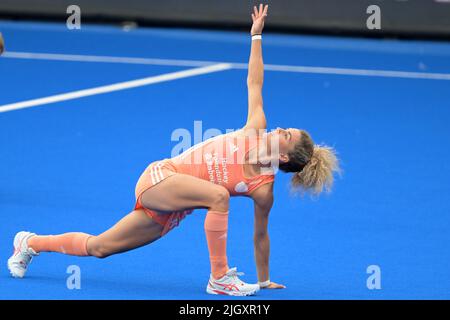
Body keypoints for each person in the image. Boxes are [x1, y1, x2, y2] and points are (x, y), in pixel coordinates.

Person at [7, 4, 340, 296]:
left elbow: (261, 236)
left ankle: (29, 243)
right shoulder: (256, 127)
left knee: (99, 247)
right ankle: (220, 278)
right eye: (286, 128)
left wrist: (264, 281)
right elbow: (255, 81)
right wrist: (256, 37)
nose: (280, 128)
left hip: (169, 212)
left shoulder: (263, 190)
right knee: (219, 197)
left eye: (286, 135)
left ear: (283, 156)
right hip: (161, 177)